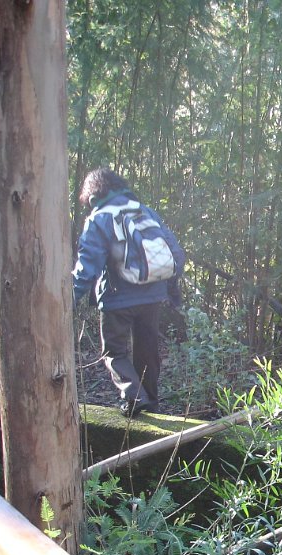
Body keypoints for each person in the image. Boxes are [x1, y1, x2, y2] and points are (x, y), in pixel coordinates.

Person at [72, 168, 186, 416]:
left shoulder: (99, 219)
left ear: (93, 197)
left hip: (117, 300)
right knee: (148, 351)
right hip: (152, 297)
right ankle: (151, 403)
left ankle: (135, 397)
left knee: (114, 353)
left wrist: (68, 299)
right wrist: (171, 291)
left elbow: (87, 268)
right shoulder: (145, 212)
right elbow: (175, 254)